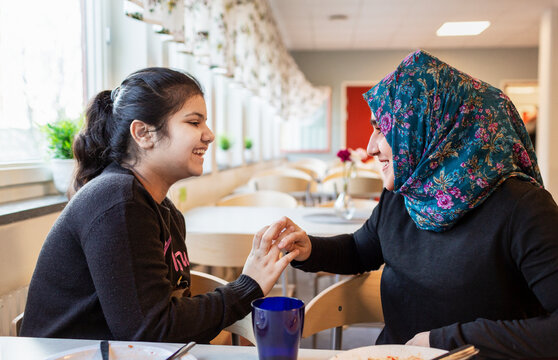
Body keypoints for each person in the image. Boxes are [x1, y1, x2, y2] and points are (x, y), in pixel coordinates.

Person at [275, 50, 558, 359]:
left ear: (431, 127)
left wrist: (448, 340)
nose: (370, 147)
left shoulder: (525, 208)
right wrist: (309, 249)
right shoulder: (405, 194)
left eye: (382, 129)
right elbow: (360, 250)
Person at [20, 67, 298, 342]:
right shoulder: (118, 201)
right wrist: (247, 286)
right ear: (143, 133)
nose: (210, 134)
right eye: (194, 122)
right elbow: (153, 332)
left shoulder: (164, 211)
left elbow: (166, 321)